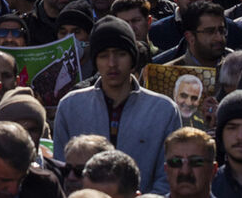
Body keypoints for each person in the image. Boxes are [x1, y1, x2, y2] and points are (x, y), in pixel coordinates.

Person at [53, 17, 181, 193]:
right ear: (96, 61)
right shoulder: (70, 106)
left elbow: (168, 177)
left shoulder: (164, 110)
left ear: (132, 58)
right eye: (104, 56)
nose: (112, 63)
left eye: (120, 54)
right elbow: (62, 172)